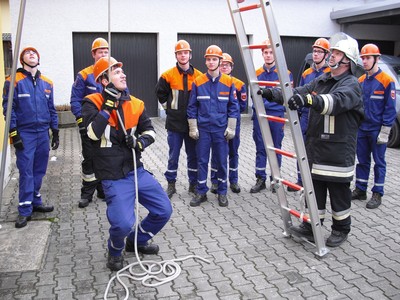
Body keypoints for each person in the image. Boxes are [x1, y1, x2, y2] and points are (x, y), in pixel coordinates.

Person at [259, 33, 364, 247]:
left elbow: (335, 102)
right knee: (314, 191)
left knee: (338, 195)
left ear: (347, 60)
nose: (331, 56)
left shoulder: (351, 84)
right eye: (332, 52)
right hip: (317, 147)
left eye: (336, 53)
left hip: (337, 152)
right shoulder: (323, 79)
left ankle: (341, 229)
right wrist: (273, 94)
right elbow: (298, 92)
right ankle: (310, 225)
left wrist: (308, 100)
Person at [81, 57, 172, 271]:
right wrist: (108, 105)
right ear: (104, 80)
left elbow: (150, 131)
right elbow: (93, 133)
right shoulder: (91, 102)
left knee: (163, 210)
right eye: (116, 72)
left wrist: (139, 142)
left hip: (135, 170)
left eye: (122, 71)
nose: (123, 75)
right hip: (112, 176)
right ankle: (115, 250)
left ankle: (135, 242)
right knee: (122, 223)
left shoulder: (136, 103)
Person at [2, 47, 59, 228]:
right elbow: (8, 109)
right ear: (22, 59)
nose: (31, 54)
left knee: (39, 170)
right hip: (25, 133)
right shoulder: (13, 81)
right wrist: (14, 133)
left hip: (42, 132)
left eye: (34, 53)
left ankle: (35, 200)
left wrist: (55, 130)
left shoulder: (47, 83)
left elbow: (51, 109)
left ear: (38, 58)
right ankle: (24, 209)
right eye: (27, 53)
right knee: (26, 171)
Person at [187, 45, 239, 207]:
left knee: (221, 161)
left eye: (214, 59)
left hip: (220, 131)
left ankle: (222, 192)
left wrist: (231, 128)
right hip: (203, 130)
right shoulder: (198, 82)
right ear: (205, 61)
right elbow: (192, 107)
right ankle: (201, 191)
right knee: (202, 161)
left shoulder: (229, 82)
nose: (211, 62)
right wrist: (193, 127)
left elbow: (234, 107)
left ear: (219, 61)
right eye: (208, 59)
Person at [155, 40, 202, 198]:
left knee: (193, 155)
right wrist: (168, 110)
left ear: (190, 55)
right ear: (176, 55)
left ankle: (193, 184)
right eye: (180, 53)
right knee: (173, 155)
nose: (183, 55)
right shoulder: (167, 75)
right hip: (174, 124)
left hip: (192, 124)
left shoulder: (199, 76)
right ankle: (171, 184)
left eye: (185, 52)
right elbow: (160, 94)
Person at [351, 44, 396, 209]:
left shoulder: (386, 81)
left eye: (368, 58)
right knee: (362, 160)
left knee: (379, 162)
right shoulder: (361, 81)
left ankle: (377, 193)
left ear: (377, 58)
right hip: (362, 129)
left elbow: (390, 108)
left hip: (377, 130)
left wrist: (385, 130)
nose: (365, 61)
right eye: (362, 58)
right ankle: (360, 189)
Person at [287, 38, 331, 192]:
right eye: (314, 51)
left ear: (326, 54)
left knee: (319, 150)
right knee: (302, 148)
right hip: (306, 116)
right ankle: (301, 180)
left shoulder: (330, 74)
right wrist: (298, 117)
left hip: (321, 117)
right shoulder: (307, 73)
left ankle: (316, 182)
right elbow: (299, 93)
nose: (316, 54)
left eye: (319, 51)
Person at [70, 37, 109, 208]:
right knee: (89, 158)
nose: (103, 54)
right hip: (89, 125)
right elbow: (75, 100)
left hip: (107, 125)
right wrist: (81, 121)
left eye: (106, 52)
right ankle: (87, 193)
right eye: (100, 52)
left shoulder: (112, 73)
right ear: (93, 54)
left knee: (105, 157)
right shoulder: (84, 75)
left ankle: (102, 190)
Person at [250, 38, 293, 193]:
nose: (268, 55)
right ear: (262, 54)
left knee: (276, 147)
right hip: (260, 115)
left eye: (270, 52)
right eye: (265, 52)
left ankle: (276, 179)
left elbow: (286, 96)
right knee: (260, 147)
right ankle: (260, 178)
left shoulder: (285, 74)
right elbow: (253, 97)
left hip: (276, 114)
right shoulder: (256, 73)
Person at [210, 53, 247, 194]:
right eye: (222, 64)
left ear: (231, 67)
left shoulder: (239, 84)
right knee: (216, 153)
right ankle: (214, 181)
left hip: (233, 124)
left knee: (233, 152)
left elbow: (242, 105)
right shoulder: (214, 83)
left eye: (227, 64)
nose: (224, 66)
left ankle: (233, 180)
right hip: (218, 124)